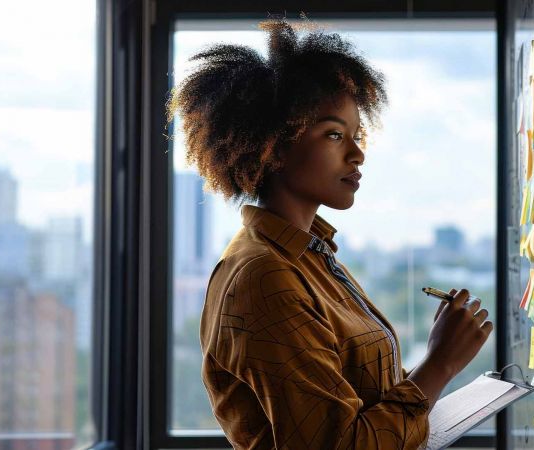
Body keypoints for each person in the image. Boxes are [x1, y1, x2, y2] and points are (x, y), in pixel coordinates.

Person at [167, 18, 493, 449]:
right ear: (275, 146)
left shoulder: (309, 256)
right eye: (334, 134)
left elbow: (360, 406)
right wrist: (440, 363)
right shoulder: (264, 277)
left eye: (356, 135)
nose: (358, 153)